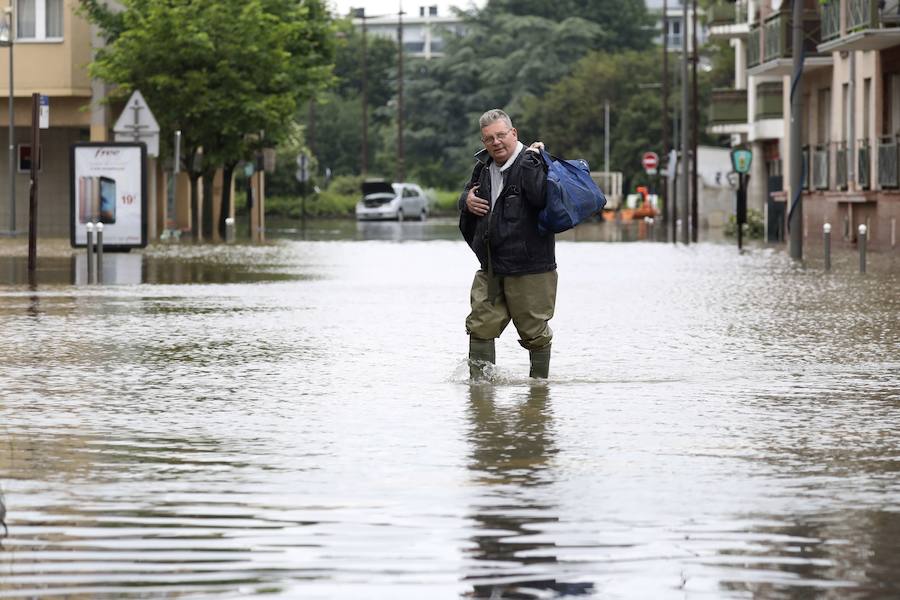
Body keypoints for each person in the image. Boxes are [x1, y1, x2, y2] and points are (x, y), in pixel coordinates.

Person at [458, 109, 557, 379]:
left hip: (531, 267)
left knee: (534, 332)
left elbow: (540, 198)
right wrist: (466, 200)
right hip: (491, 266)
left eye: (501, 135)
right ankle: (480, 391)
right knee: (480, 325)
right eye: (489, 138)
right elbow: (467, 194)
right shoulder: (482, 167)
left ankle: (539, 389)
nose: (496, 142)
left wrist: (532, 162)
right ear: (483, 141)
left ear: (513, 133)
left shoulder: (533, 161)